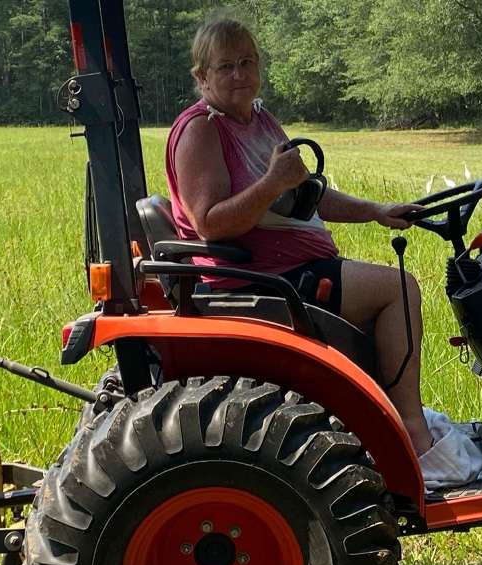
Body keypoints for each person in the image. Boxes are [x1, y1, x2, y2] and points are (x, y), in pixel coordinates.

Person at [166, 15, 435, 454]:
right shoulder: (202, 130)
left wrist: (377, 211)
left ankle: (373, 427)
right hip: (259, 279)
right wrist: (272, 182)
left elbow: (307, 195)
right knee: (398, 290)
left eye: (247, 62)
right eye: (226, 67)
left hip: (295, 268)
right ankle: (411, 431)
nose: (240, 74)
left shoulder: (260, 120)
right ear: (202, 76)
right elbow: (210, 223)